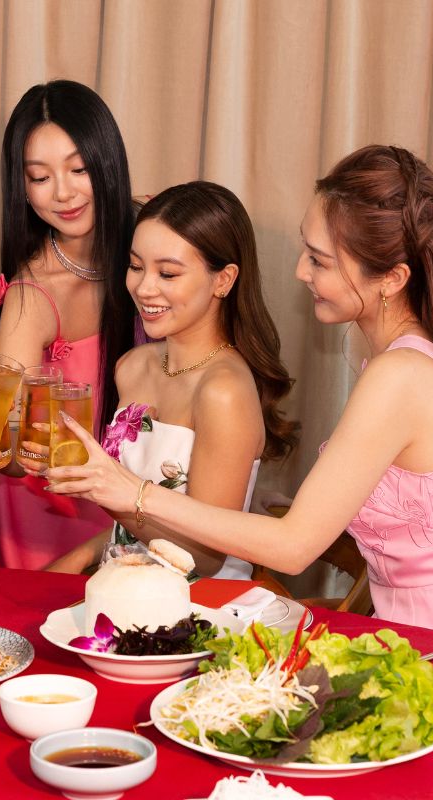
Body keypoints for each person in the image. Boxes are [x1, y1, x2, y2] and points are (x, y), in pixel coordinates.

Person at [48, 145, 433, 654]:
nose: (300, 272)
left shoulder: (399, 375)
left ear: (392, 279)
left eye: (319, 260)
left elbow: (293, 548)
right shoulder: (410, 360)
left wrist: (132, 493)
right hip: (419, 641)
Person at [45, 182, 298, 578]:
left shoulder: (224, 391)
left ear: (223, 280)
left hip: (199, 602)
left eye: (167, 273)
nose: (144, 288)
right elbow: (133, 524)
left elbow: (205, 558)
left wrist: (109, 492)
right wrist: (78, 556)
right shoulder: (133, 366)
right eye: (135, 266)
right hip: (123, 584)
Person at [0, 80, 136, 570]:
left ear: (108, 163)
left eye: (79, 169)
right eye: (39, 176)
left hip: (138, 498)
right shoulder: (31, 294)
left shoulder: (150, 247)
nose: (63, 192)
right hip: (48, 516)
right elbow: (9, 446)